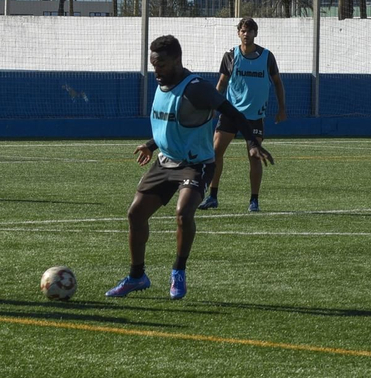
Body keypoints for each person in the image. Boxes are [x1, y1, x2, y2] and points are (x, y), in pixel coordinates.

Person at [108, 35, 272, 301]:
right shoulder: (162, 85)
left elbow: (233, 113)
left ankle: (178, 271)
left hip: (195, 164)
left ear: (176, 60)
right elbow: (172, 121)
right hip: (165, 161)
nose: (156, 70)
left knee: (183, 213)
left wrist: (252, 141)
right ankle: (137, 276)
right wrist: (151, 144)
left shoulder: (196, 88)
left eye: (161, 64)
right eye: (153, 64)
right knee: (135, 214)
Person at [201, 17, 286, 213]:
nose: (246, 34)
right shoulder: (230, 56)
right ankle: (212, 196)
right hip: (230, 113)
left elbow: (277, 83)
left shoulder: (267, 57)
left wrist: (282, 108)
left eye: (250, 31)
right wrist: (214, 105)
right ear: (238, 33)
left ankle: (254, 201)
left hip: (254, 115)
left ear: (255, 33)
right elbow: (222, 83)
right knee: (215, 153)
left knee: (254, 156)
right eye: (243, 30)